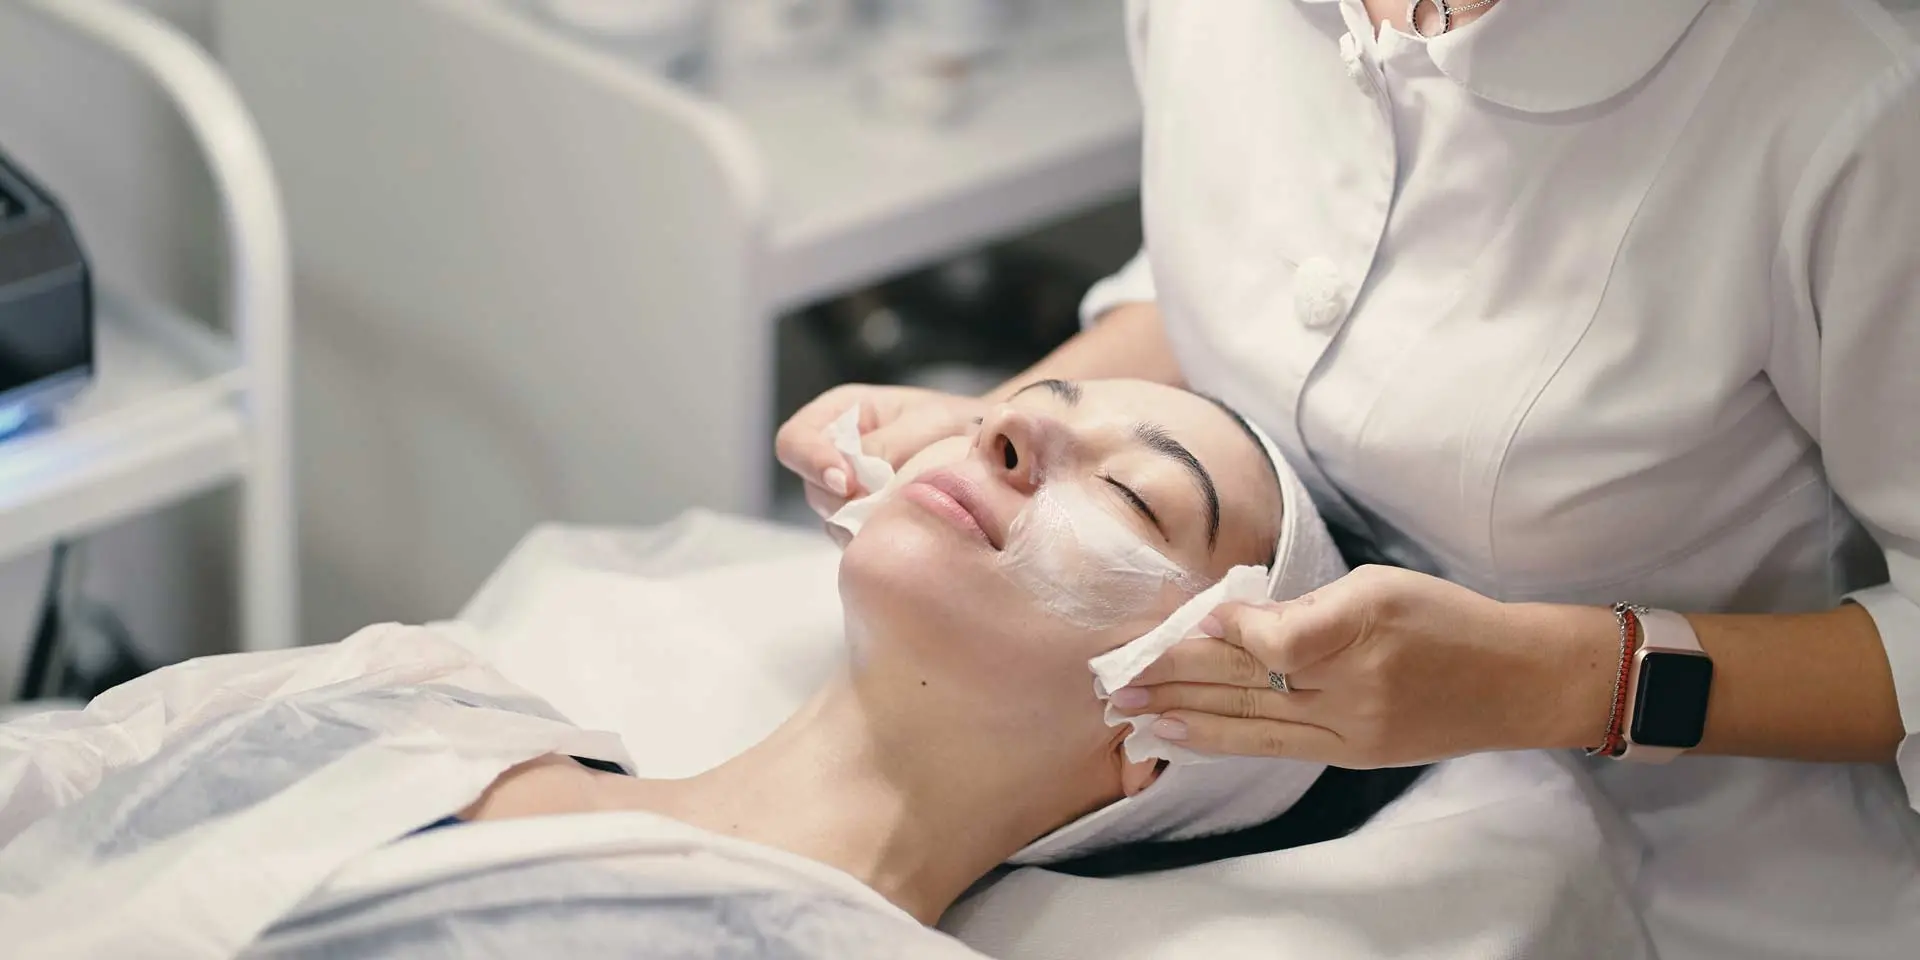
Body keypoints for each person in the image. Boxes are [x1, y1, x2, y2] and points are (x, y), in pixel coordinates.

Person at [777, 2, 1920, 957]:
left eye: (1136, 505)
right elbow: (1232, 287)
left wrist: (1572, 681)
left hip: (1712, 902)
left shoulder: (1848, 106)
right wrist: (990, 432)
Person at [0, 379, 1330, 958]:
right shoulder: (417, 691)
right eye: (1029, 408)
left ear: (1163, 733)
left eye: (1145, 503)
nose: (1015, 434)